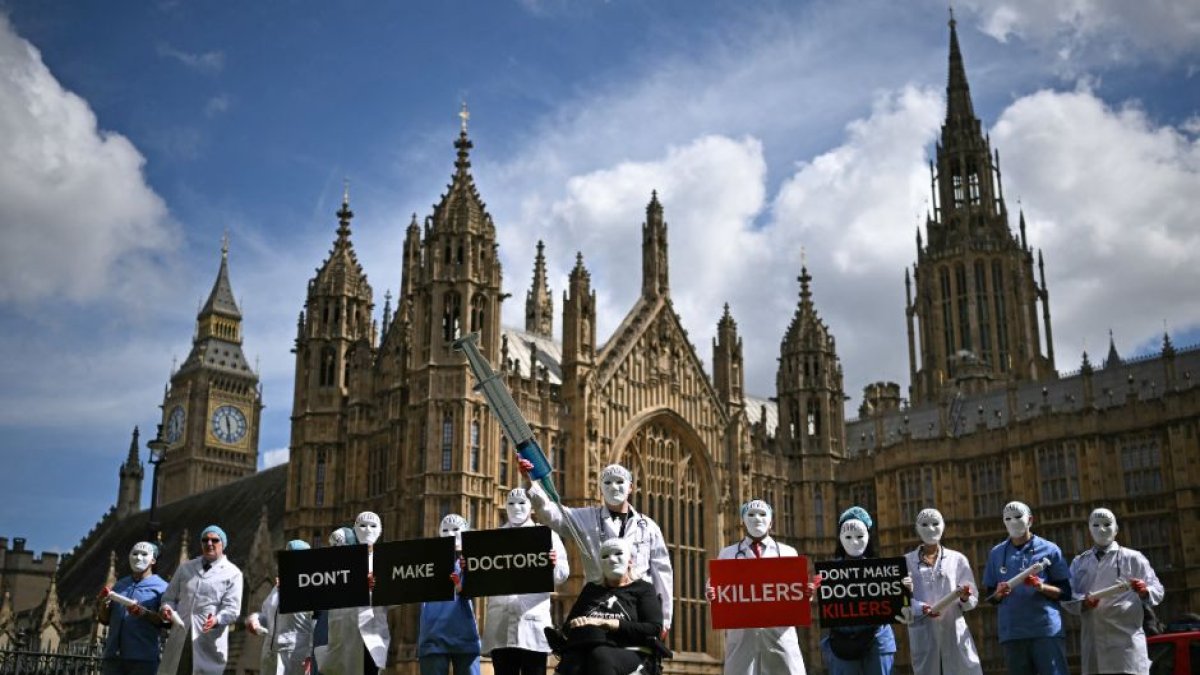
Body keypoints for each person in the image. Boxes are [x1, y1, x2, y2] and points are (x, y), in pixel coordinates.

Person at [524, 461, 673, 632]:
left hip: (637, 604)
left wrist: (665, 619)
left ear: (631, 487)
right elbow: (551, 513)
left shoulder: (648, 526)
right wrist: (531, 484)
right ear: (600, 488)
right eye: (607, 483)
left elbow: (662, 573)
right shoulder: (586, 518)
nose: (614, 487)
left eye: (619, 482)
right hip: (599, 600)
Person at [1064, 508, 1164, 675]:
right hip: (1094, 642)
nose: (1101, 529)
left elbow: (1158, 590)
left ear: (1116, 529)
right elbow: (1066, 595)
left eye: (1107, 524)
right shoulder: (1079, 562)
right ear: (1089, 530)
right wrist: (1083, 602)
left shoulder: (1133, 558)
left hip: (1127, 644)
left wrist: (1145, 591)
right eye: (1095, 525)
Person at [482, 488, 570, 675]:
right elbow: (481, 577)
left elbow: (562, 574)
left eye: (522, 502)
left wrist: (551, 565)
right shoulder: (491, 539)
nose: (517, 507)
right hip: (501, 624)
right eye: (511, 503)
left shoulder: (547, 536)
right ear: (505, 507)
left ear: (531, 507)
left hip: (533, 624)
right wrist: (470, 568)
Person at [714, 499, 806, 674]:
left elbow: (796, 596)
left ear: (771, 522)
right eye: (751, 514)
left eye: (763, 515)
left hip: (779, 636)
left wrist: (806, 593)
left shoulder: (788, 553)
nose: (757, 519)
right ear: (742, 521)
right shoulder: (727, 554)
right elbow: (716, 590)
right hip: (742, 637)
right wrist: (711, 593)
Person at [981, 501, 1072, 675]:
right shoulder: (996, 553)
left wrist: (1041, 586)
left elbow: (1066, 593)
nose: (1013, 522)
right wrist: (999, 594)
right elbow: (991, 598)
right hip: (1013, 632)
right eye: (1008, 518)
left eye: (1018, 517)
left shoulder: (1050, 549)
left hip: (1045, 630)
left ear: (1030, 520)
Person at [554, 537, 664, 675]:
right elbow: (567, 627)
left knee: (600, 656)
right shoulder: (591, 590)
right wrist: (576, 624)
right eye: (605, 556)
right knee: (571, 663)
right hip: (587, 646)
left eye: (618, 554)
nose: (612, 560)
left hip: (629, 650)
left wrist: (608, 623)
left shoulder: (643, 589)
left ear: (630, 560)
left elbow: (654, 628)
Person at [902, 508, 982, 675]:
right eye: (924, 524)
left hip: (954, 630)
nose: (930, 529)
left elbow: (972, 600)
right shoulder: (905, 561)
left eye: (935, 524)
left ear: (943, 527)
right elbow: (901, 602)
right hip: (923, 630)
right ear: (917, 529)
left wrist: (966, 598)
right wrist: (920, 608)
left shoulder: (957, 559)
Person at [819, 506, 896, 675]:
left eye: (860, 536)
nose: (854, 542)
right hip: (842, 644)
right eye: (848, 536)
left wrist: (906, 591)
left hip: (877, 640)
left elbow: (899, 604)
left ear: (868, 537)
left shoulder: (884, 571)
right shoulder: (828, 574)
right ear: (840, 538)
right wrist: (811, 593)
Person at [158, 526, 244, 675]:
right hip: (180, 636)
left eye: (214, 540)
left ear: (222, 544)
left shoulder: (233, 573)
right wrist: (166, 609)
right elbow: (169, 598)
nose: (209, 543)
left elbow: (232, 609)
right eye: (205, 540)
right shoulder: (185, 568)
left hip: (207, 639)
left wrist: (216, 620)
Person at [318, 514, 390, 675]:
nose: (367, 530)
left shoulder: (384, 561)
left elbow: (397, 595)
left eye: (372, 526)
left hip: (371, 633)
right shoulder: (333, 566)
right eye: (363, 526)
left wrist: (377, 588)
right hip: (343, 631)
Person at [418, 514, 482, 675]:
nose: (450, 534)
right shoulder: (425, 561)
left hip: (465, 636)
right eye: (445, 530)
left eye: (455, 529)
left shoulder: (474, 561)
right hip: (433, 638)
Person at [97, 541, 169, 675]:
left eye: (143, 554)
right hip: (113, 658)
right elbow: (104, 619)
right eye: (134, 554)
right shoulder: (119, 585)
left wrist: (143, 612)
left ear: (153, 560)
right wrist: (103, 606)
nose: (138, 558)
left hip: (143, 660)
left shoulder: (162, 587)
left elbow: (165, 621)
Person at [247, 540, 317, 675]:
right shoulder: (277, 587)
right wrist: (255, 619)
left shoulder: (313, 586)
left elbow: (318, 623)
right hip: (270, 655)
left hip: (296, 658)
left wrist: (311, 655)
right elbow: (267, 614)